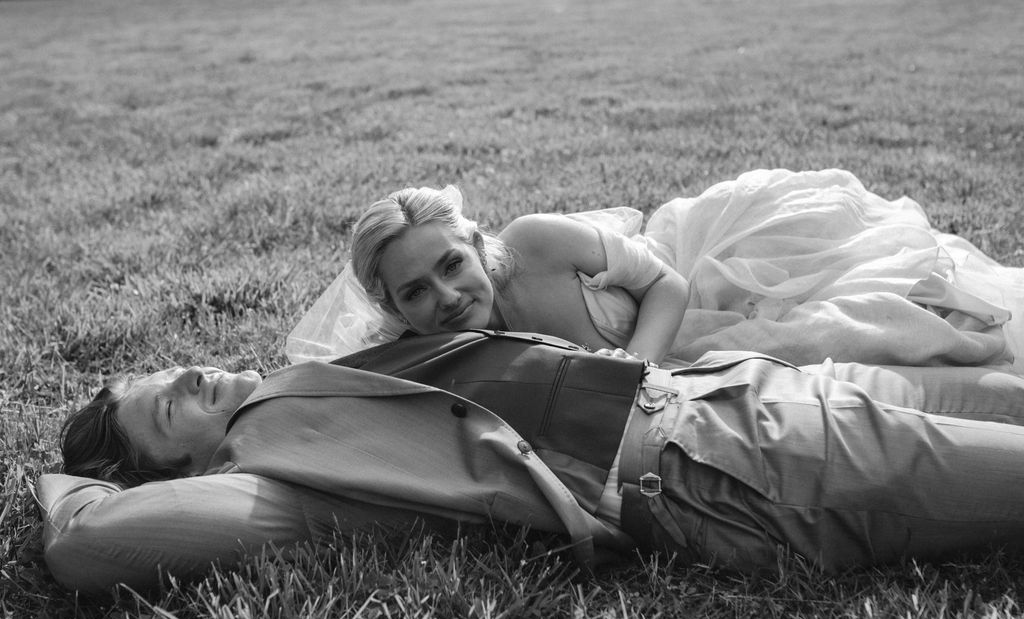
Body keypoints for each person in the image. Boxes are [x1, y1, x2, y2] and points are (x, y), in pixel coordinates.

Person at [42, 329, 1024, 592]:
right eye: (166, 404)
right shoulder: (272, 477)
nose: (191, 371)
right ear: (175, 471)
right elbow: (88, 545)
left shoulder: (305, 384)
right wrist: (63, 484)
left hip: (739, 387)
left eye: (171, 369)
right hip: (739, 465)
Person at [286, 169, 1024, 370]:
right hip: (662, 345)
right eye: (417, 290)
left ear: (477, 246)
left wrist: (635, 366)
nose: (447, 296)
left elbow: (663, 285)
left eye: (452, 264)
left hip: (701, 264)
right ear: (392, 306)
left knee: (850, 316)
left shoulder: (535, 242)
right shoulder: (426, 350)